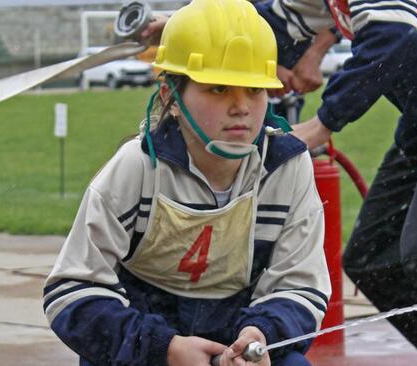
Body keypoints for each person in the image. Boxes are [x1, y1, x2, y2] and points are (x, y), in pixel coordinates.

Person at [137, 0, 417, 365]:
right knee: (373, 259)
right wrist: (180, 27)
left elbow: (389, 36)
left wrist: (324, 123)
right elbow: (264, 21)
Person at [43, 0, 331, 365]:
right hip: (142, 350)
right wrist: (163, 349)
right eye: (219, 89)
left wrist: (261, 335)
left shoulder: (288, 167)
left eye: (254, 90)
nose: (241, 107)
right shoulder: (137, 168)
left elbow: (299, 285)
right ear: (170, 97)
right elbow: (70, 292)